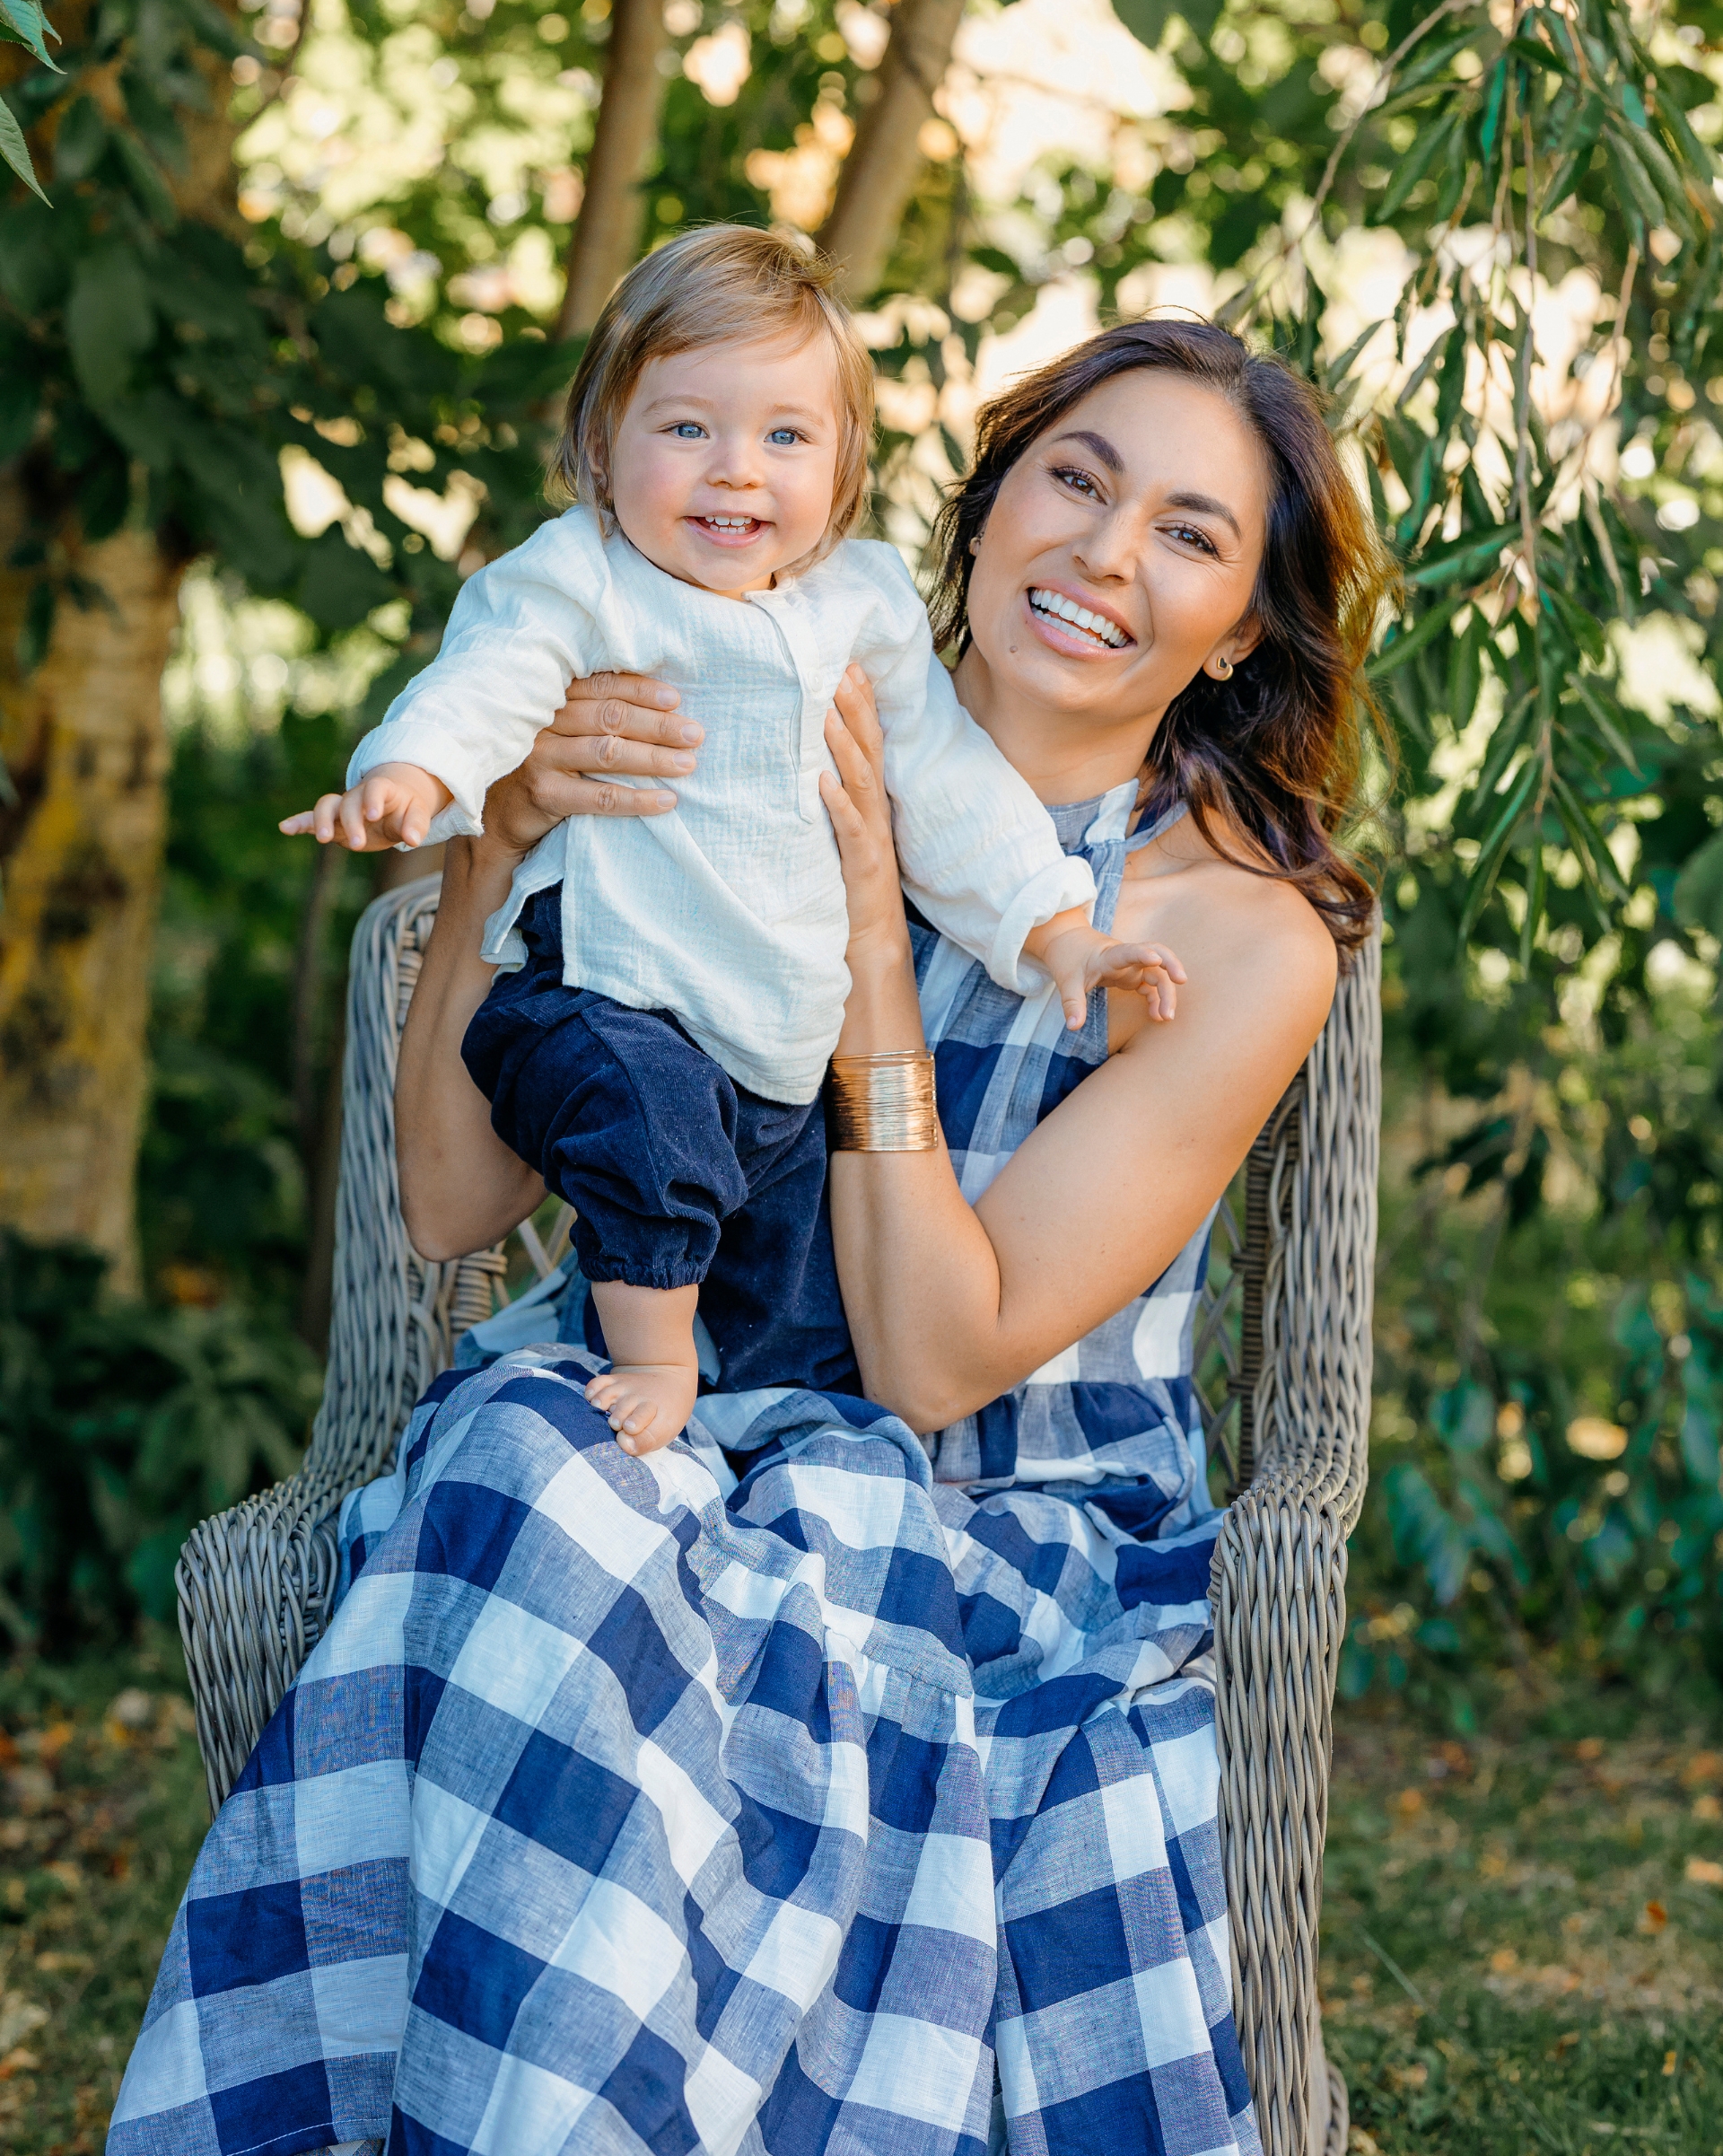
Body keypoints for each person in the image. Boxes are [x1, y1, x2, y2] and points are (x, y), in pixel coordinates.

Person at [110, 316, 1389, 2156]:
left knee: (641, 1557)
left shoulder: (1237, 937)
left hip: (990, 1497)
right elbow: (462, 1206)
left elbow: (944, 1355)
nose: (1107, 555)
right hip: (667, 1400)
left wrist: (876, 944)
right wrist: (504, 841)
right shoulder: (717, 720)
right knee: (547, 1473)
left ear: (1245, 624)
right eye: (1078, 479)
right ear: (985, 498)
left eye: (1190, 534)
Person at [282, 226, 1174, 1455]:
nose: (735, 473)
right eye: (687, 429)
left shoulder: (855, 610)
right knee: (645, 1133)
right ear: (602, 446)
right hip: (610, 992)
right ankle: (650, 1360)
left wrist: (1053, 925)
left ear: (848, 468)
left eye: (786, 438)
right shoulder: (587, 582)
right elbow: (488, 679)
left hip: (782, 1037)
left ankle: (768, 1441)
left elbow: (948, 783)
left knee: (798, 1282)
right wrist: (414, 774)